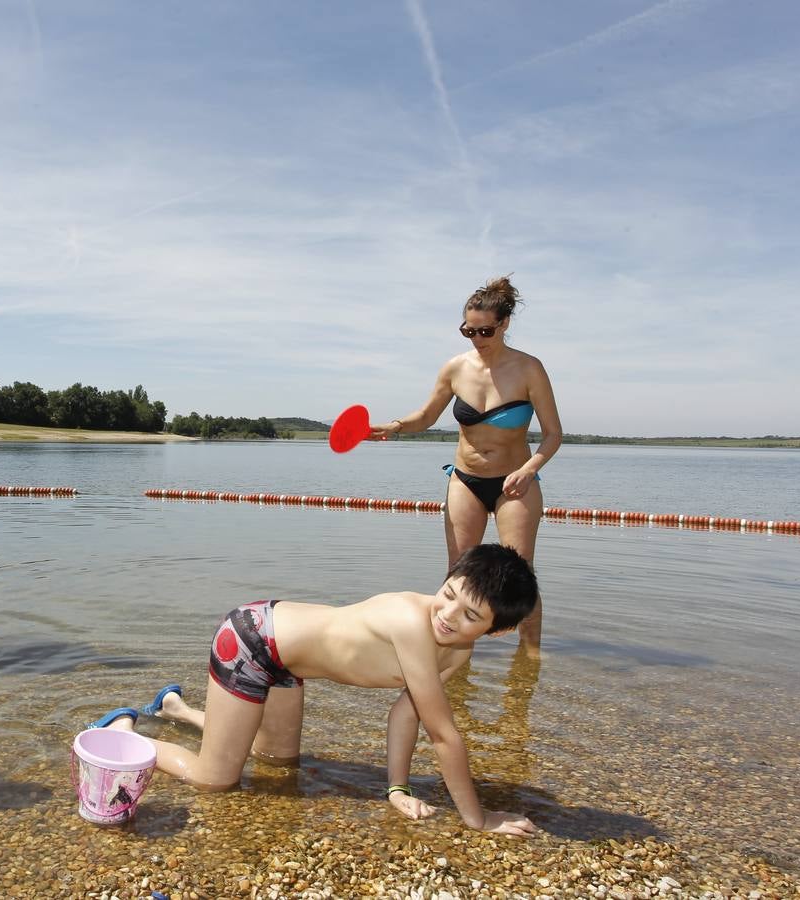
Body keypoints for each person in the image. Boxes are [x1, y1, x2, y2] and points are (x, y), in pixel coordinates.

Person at [95, 544, 540, 837]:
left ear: (497, 632)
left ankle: (176, 708)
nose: (448, 615)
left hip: (286, 661)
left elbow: (407, 716)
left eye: (470, 616)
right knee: (215, 779)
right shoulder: (410, 621)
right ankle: (125, 732)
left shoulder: (457, 653)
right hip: (253, 640)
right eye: (448, 595)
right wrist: (477, 819)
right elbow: (444, 735)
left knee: (276, 761)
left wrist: (398, 789)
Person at [369, 276, 562, 648]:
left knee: (521, 575)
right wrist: (393, 426)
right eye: (468, 331)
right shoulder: (455, 368)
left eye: (485, 330)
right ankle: (454, 656)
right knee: (456, 576)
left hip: (515, 483)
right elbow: (426, 417)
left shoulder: (529, 369)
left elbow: (553, 434)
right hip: (465, 480)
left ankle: (530, 656)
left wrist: (528, 469)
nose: (477, 339)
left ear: (504, 324)